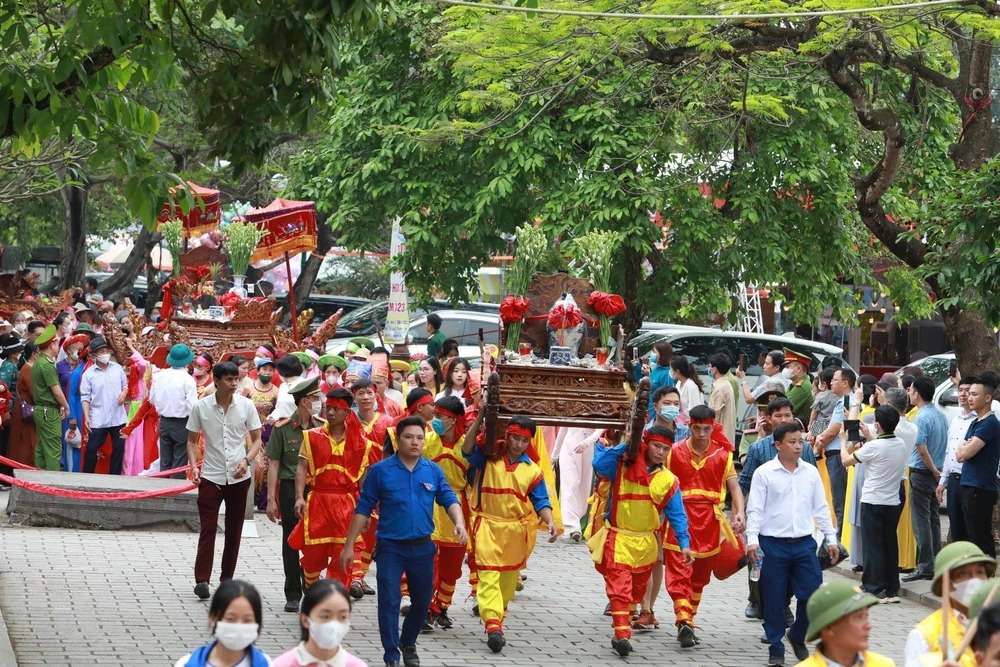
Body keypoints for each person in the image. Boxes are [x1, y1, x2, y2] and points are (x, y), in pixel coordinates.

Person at [342, 415, 467, 667]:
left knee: (421, 602)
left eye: (419, 438)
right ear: (398, 440)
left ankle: (408, 642)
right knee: (389, 601)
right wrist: (348, 545)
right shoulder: (380, 471)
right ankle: (391, 654)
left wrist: (459, 522)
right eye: (408, 437)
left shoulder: (432, 470)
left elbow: (449, 498)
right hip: (390, 548)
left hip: (423, 547)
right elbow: (363, 509)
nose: (415, 442)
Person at [590, 425, 691, 657]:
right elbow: (599, 465)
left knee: (635, 592)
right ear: (646, 443)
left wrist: (684, 543)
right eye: (656, 446)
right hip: (619, 536)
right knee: (619, 589)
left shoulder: (668, 479)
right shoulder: (622, 464)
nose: (660, 452)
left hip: (646, 543)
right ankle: (622, 635)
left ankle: (624, 626)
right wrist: (628, 446)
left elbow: (677, 513)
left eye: (665, 449)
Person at [462, 415, 557, 653]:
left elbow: (541, 500)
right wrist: (481, 416)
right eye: (515, 438)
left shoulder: (532, 470)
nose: (518, 444)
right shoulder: (488, 457)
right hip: (487, 526)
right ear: (507, 434)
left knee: (506, 584)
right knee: (489, 576)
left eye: (524, 440)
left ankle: (497, 618)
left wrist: (550, 522)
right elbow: (466, 449)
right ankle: (493, 626)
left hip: (515, 532)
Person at [747, 422, 838, 666]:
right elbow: (755, 509)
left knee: (812, 593)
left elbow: (821, 507)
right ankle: (776, 645)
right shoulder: (764, 473)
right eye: (792, 442)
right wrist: (752, 539)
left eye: (800, 441)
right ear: (778, 444)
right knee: (774, 598)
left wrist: (831, 538)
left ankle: (797, 634)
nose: (798, 446)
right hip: (772, 543)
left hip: (804, 544)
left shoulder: (810, 472)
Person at [665, 403, 746, 648]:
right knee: (679, 573)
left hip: (710, 522)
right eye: (697, 429)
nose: (701, 434)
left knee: (700, 577)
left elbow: (734, 486)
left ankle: (689, 619)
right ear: (690, 427)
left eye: (706, 429)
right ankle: (683, 619)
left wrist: (740, 512)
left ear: (713, 428)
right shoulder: (673, 452)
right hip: (681, 520)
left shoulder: (723, 455)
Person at [186, 361, 263, 600]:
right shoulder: (201, 407)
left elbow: (257, 439)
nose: (233, 384)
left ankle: (227, 579)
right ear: (216, 381)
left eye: (236, 379)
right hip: (211, 474)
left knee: (234, 530)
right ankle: (202, 580)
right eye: (228, 380)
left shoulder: (247, 406)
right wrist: (192, 466)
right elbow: (191, 440)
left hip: (240, 477)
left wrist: (247, 460)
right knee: (207, 529)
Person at [738, 396, 818, 619]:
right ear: (768, 419)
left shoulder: (806, 449)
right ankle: (757, 600)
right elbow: (745, 482)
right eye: (778, 416)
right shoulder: (758, 448)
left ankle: (782, 604)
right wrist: (740, 513)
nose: (783, 419)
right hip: (764, 518)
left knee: (793, 568)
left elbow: (812, 481)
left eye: (787, 415)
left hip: (795, 519)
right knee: (759, 562)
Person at [290, 387, 377, 590]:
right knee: (312, 557)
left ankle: (334, 602)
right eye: (328, 408)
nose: (330, 413)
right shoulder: (311, 436)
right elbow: (301, 468)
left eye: (336, 409)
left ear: (347, 413)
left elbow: (364, 482)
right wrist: (299, 498)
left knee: (343, 557)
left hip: (346, 505)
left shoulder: (361, 443)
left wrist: (366, 511)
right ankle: (312, 593)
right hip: (318, 502)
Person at [266, 377, 324, 613]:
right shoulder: (282, 429)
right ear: (303, 402)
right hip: (290, 488)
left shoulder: (321, 427)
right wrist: (271, 499)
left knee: (315, 541)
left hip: (317, 490)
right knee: (291, 540)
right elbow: (273, 465)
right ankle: (292, 592)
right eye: (314, 399)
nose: (319, 403)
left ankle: (312, 587)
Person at [841, 405, 908, 601]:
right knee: (888, 543)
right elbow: (879, 450)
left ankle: (873, 586)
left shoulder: (874, 447)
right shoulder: (900, 444)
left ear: (877, 424)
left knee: (873, 545)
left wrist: (843, 441)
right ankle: (891, 587)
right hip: (892, 502)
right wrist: (869, 435)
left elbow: (846, 461)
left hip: (872, 501)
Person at [903, 540, 995, 667]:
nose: (974, 580)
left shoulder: (995, 624)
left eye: (980, 573)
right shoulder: (924, 635)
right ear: (945, 584)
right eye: (963, 574)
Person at [425, 396, 474, 629]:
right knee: (428, 563)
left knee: (452, 566)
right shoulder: (426, 441)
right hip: (429, 506)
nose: (434, 420)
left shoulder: (467, 446)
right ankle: (423, 608)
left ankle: (442, 607)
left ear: (453, 420)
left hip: (458, 508)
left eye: (439, 416)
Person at [903, 375, 949, 582]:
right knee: (933, 519)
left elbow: (921, 448)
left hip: (924, 472)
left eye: (911, 390)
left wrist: (932, 470)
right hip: (935, 471)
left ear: (918, 393)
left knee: (921, 520)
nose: (909, 394)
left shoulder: (921, 417)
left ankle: (925, 566)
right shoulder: (939, 415)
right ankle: (935, 562)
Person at [174, 579, 271, 667]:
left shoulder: (266, 663)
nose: (239, 626)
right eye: (230, 619)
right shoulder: (187, 664)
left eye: (247, 620)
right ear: (213, 618)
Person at [796, 581, 894, 667]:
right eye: (858, 617)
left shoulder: (883, 664)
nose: (868, 626)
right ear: (828, 628)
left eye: (866, 616)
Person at [272, 579, 367, 667]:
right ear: (305, 619)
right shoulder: (283, 664)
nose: (334, 624)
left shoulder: (356, 665)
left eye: (342, 617)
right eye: (325, 616)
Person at [957, 376, 1000, 558]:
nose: (969, 397)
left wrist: (964, 447)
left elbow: (964, 454)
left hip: (980, 488)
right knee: (972, 536)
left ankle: (984, 579)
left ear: (988, 397)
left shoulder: (990, 424)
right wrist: (963, 447)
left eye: (974, 394)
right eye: (968, 394)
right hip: (970, 485)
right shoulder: (976, 422)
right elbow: (959, 452)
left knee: (980, 538)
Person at [812, 367, 857, 539]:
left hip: (838, 453)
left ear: (845, 383)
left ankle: (839, 537)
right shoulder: (847, 400)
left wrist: (817, 439)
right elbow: (828, 421)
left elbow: (832, 426)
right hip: (843, 452)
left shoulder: (840, 400)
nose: (831, 383)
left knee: (839, 497)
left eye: (834, 380)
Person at [79, 336, 128, 474]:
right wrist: (87, 417)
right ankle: (87, 476)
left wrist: (124, 394)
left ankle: (115, 478)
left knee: (119, 448)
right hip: (98, 417)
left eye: (106, 350)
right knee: (92, 448)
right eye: (100, 351)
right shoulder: (88, 374)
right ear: (93, 355)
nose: (104, 353)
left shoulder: (117, 369)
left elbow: (125, 385)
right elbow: (85, 397)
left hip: (118, 417)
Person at [150, 344, 197, 477]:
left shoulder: (160, 376)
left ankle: (163, 490)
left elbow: (152, 399)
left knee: (165, 460)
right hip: (181, 423)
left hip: (164, 421)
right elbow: (192, 406)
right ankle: (175, 493)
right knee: (180, 461)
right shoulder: (188, 380)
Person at [938, 377, 976, 542]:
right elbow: (949, 452)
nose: (963, 394)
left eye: (968, 391)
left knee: (972, 530)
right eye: (960, 390)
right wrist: (942, 482)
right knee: (956, 528)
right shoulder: (955, 420)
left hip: (971, 482)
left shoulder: (980, 421)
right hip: (953, 480)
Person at [31, 324, 70, 471]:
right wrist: (66, 406)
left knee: (42, 448)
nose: (58, 347)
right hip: (49, 412)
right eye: (57, 344)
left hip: (42, 410)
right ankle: (52, 486)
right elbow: (56, 391)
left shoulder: (38, 362)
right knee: (53, 450)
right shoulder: (47, 365)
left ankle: (39, 483)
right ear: (52, 344)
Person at [554, 427, 601, 542]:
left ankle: (578, 522)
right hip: (569, 446)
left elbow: (600, 428)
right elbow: (563, 429)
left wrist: (588, 442)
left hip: (588, 447)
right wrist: (554, 454)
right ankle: (572, 526)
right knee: (570, 484)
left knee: (583, 488)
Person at [8, 341, 37, 466]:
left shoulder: (29, 367)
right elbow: (35, 393)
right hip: (26, 411)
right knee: (24, 445)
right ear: (35, 354)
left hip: (25, 409)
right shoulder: (28, 369)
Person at [708, 352, 737, 445]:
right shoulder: (726, 384)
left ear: (715, 369)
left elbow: (714, 417)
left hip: (719, 441)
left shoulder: (720, 389)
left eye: (710, 366)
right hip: (725, 438)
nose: (709, 369)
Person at [268, 355, 305, 423]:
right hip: (281, 427)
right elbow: (279, 408)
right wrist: (272, 417)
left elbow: (314, 410)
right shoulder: (283, 386)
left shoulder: (305, 384)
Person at [782, 348, 814, 425]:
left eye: (788, 367)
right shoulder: (794, 384)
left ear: (799, 369)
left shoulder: (802, 386)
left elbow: (783, 408)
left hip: (799, 429)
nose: (785, 369)